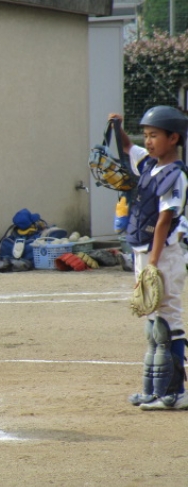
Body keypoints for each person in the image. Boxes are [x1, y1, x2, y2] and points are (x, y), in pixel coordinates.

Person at [111, 107, 188, 410]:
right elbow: (127, 147)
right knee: (153, 322)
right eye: (146, 135)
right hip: (146, 252)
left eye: (154, 135)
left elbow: (164, 221)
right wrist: (117, 127)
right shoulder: (149, 165)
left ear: (173, 138)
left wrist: (153, 263)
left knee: (167, 320)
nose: (148, 141)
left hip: (164, 254)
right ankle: (154, 390)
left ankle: (175, 393)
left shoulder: (175, 175)